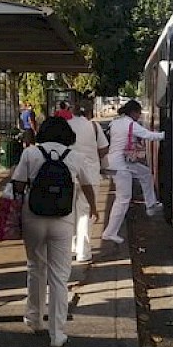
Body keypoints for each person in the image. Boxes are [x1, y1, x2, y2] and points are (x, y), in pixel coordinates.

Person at [11, 116, 98, 347]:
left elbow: (17, 184)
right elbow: (88, 185)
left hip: (34, 216)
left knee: (35, 267)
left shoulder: (30, 153)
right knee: (59, 277)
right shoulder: (75, 156)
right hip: (62, 219)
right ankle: (57, 333)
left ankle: (34, 318)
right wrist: (94, 209)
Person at [101, 99, 165, 244]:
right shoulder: (130, 124)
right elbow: (148, 135)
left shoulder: (115, 122)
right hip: (121, 165)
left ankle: (151, 205)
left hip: (115, 162)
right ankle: (110, 232)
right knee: (123, 199)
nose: (140, 116)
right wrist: (166, 135)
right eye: (139, 113)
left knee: (145, 173)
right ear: (133, 112)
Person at [67, 104, 109, 263]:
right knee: (85, 213)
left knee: (69, 212)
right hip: (90, 175)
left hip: (69, 174)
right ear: (89, 113)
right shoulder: (94, 126)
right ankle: (83, 252)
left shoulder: (65, 126)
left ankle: (70, 246)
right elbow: (104, 149)